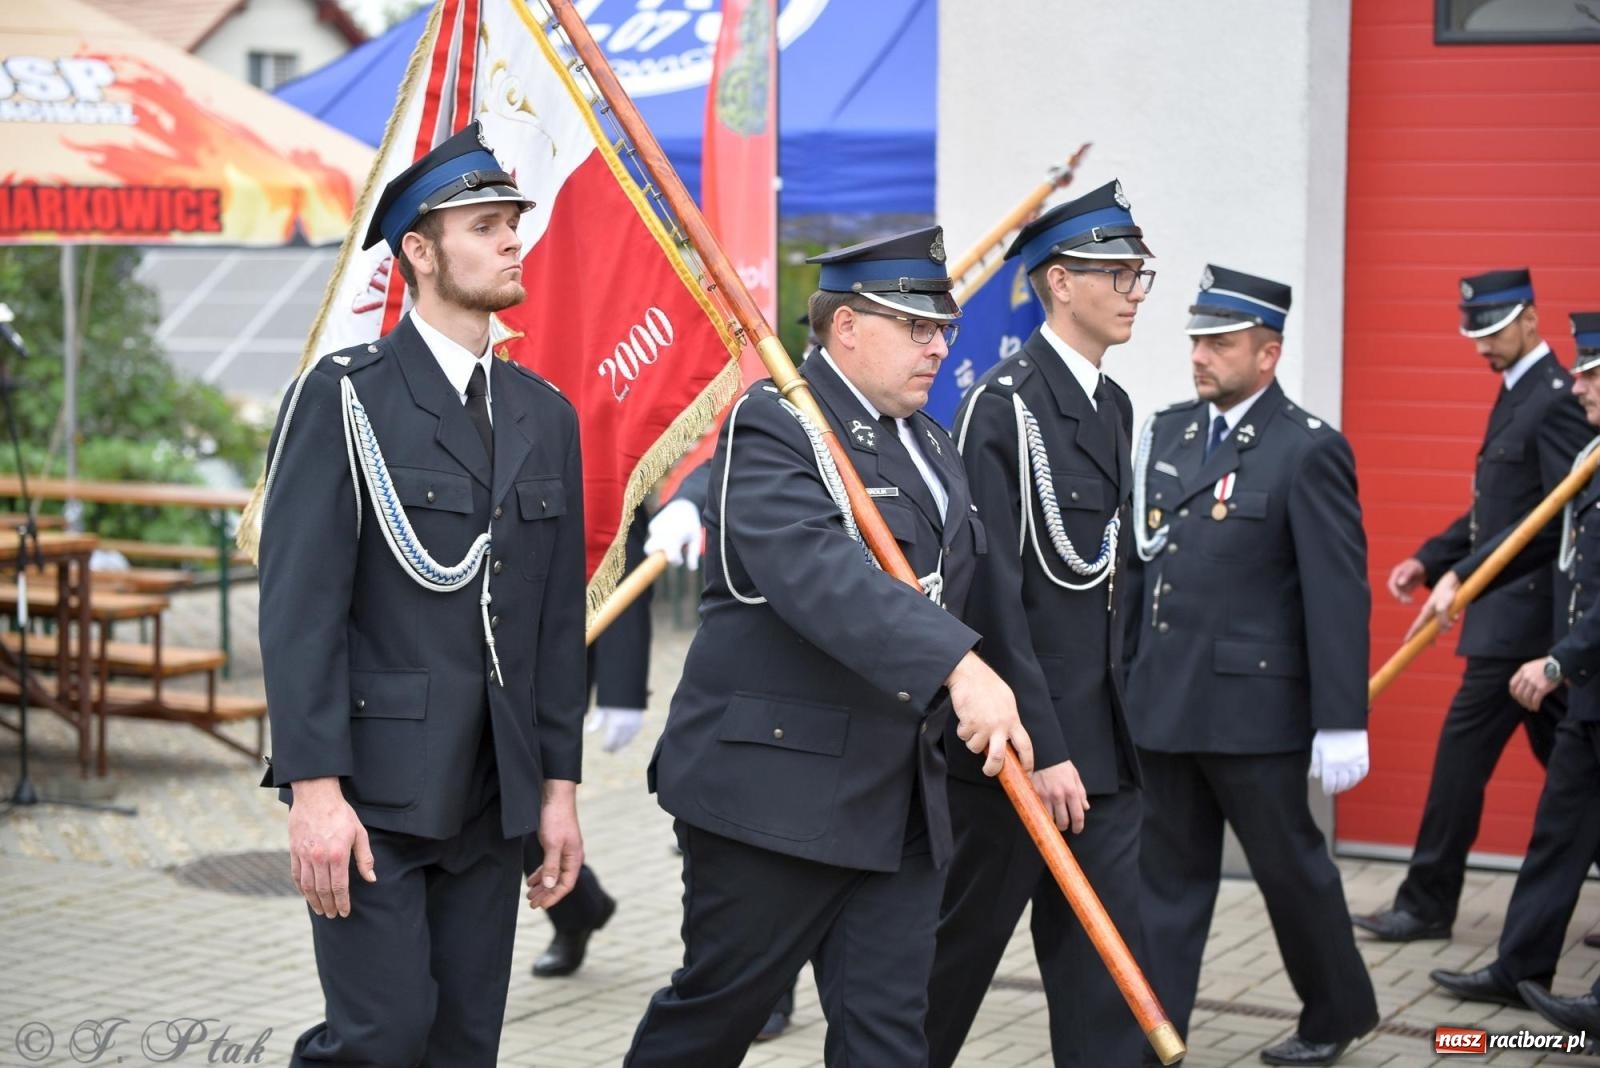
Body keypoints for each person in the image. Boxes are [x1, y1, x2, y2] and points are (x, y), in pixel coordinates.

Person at [626, 227, 1034, 1067]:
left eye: (945, 329)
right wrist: (957, 666)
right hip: (778, 797)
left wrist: (1047, 742)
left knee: (888, 1041)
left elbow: (984, 596)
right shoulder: (774, 426)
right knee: (712, 1022)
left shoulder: (927, 442)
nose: (940, 346)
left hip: (899, 809)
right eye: (917, 329)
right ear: (846, 327)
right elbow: (820, 576)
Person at [256, 121, 587, 1067]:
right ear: (419, 251)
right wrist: (313, 791)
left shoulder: (542, 414)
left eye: (512, 223)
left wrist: (558, 790)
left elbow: (556, 628)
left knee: (463, 1043)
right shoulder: (346, 396)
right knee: (380, 1038)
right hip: (376, 795)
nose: (511, 240)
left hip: (493, 795)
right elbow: (300, 609)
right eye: (485, 226)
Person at [1122, 265, 1378, 1067]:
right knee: (1164, 882)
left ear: (1267, 354)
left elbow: (1338, 594)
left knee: (1291, 872)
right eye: (1197, 339)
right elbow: (1141, 570)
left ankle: (1335, 1012)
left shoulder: (1307, 450)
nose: (1201, 356)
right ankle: (1157, 1033)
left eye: (1221, 343)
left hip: (1253, 714)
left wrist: (1342, 719)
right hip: (1164, 701)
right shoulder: (1167, 431)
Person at [927, 179, 1152, 1067]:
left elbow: (1110, 584)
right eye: (1119, 272)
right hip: (1017, 753)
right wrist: (1046, 746)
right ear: (1059, 282)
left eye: (1141, 274)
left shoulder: (1114, 404)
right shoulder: (1006, 406)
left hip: (1105, 749)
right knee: (950, 973)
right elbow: (994, 597)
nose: (1136, 290)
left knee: (1106, 982)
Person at [1353, 268, 1590, 945]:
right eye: (1474, 333)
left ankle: (1426, 903)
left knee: (1463, 757)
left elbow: (1557, 523)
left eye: (1492, 331)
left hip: (1525, 621)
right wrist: (1433, 559)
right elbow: (1501, 511)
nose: (1483, 345)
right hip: (1513, 618)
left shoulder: (1554, 399)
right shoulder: (1521, 393)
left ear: (1527, 320)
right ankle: (1428, 900)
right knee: (1577, 765)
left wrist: (1464, 574)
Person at [1424, 312, 1600, 1015]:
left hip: (1577, 670)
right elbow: (1543, 545)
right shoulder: (1590, 457)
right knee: (1559, 834)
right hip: (1588, 692)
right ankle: (1520, 968)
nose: (1578, 388)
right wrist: (1455, 569)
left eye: (1591, 375)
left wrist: (1556, 661)